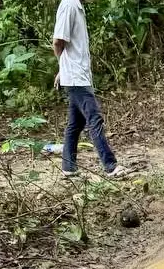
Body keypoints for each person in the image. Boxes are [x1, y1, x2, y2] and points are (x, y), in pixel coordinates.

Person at [52, 0, 128, 178]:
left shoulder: (76, 6)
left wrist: (63, 69)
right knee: (94, 118)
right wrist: (64, 68)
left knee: (75, 123)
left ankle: (68, 167)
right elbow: (57, 41)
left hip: (78, 74)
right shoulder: (69, 4)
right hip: (75, 76)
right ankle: (110, 166)